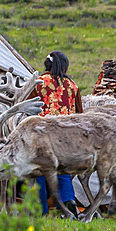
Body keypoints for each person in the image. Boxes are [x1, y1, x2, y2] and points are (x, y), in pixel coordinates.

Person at [33, 50, 83, 216]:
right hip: (65, 137)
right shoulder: (73, 86)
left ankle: (41, 210)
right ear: (65, 67)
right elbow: (79, 114)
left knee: (40, 170)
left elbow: (27, 108)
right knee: (63, 172)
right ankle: (69, 203)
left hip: (41, 136)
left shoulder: (38, 83)